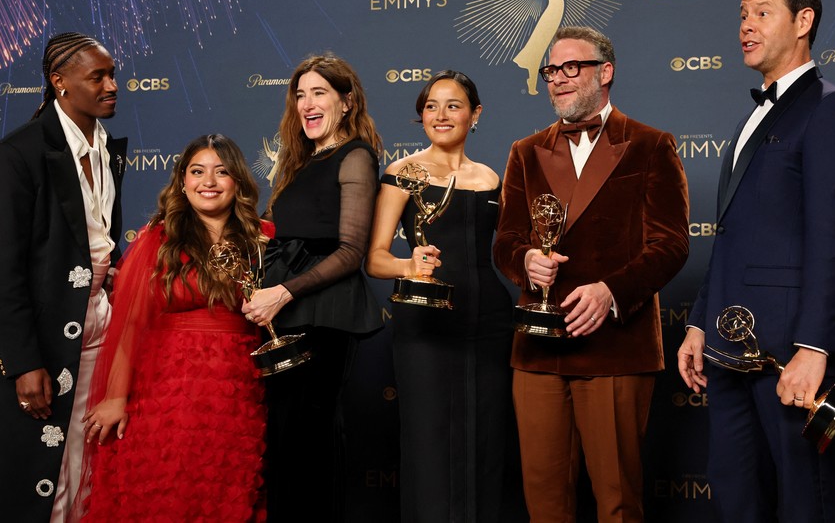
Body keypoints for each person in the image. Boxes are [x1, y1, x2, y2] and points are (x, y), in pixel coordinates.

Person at [678, 0, 835, 523]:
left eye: (762, 12)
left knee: (803, 499)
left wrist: (814, 347)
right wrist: (698, 321)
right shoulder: (748, 120)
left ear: (803, 20)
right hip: (727, 348)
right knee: (737, 497)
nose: (746, 25)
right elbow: (735, 236)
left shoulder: (833, 108)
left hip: (790, 352)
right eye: (742, 14)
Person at [493, 25, 690, 522]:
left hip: (615, 347)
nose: (557, 79)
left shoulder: (651, 145)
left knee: (617, 499)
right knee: (544, 499)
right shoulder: (524, 150)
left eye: (570, 67)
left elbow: (670, 245)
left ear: (606, 72)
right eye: (550, 71)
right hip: (537, 345)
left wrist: (611, 292)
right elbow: (505, 242)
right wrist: (525, 263)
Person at [79, 134, 269, 520]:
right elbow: (131, 324)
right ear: (182, 181)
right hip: (165, 388)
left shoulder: (262, 238)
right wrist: (116, 396)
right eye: (197, 172)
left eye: (222, 172)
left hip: (238, 389)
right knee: (164, 486)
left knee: (225, 490)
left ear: (239, 182)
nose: (209, 182)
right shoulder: (159, 237)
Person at [366, 71, 514, 522]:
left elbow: (506, 253)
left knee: (486, 440)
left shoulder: (491, 178)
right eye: (431, 106)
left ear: (476, 114)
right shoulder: (402, 173)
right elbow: (375, 258)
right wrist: (409, 265)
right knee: (429, 442)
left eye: (453, 105)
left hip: (488, 323)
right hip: (425, 324)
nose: (441, 115)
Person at [241, 53, 383, 522]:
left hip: (324, 315)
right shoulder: (301, 162)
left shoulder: (356, 155)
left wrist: (283, 293)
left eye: (319, 92)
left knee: (310, 437)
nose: (306, 103)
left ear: (346, 101)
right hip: (287, 317)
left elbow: (350, 252)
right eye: (300, 95)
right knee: (285, 438)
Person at [0, 32, 126, 522]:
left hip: (99, 332)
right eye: (98, 76)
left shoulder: (108, 148)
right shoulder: (20, 154)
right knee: (42, 478)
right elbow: (5, 269)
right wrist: (22, 361)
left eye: (113, 74)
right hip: (45, 345)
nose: (112, 85)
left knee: (88, 465)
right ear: (60, 83)